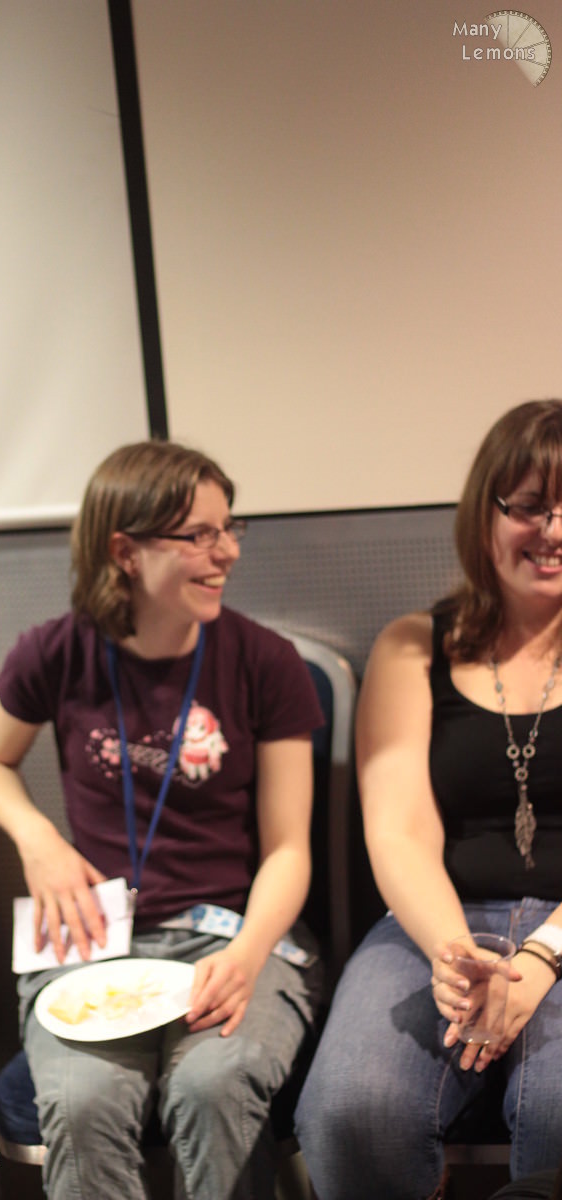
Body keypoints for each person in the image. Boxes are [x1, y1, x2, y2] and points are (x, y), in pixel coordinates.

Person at [0, 439, 324, 1200]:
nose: (226, 552)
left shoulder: (264, 661)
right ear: (125, 552)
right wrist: (37, 837)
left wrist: (250, 954)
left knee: (212, 1088)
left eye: (229, 529)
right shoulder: (55, 651)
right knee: (83, 1103)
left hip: (231, 930)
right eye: (199, 535)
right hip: (95, 935)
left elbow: (290, 848)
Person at [294, 399, 562, 1200]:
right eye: (530, 506)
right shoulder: (413, 645)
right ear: (485, 512)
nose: (553, 530)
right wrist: (459, 957)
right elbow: (399, 829)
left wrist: (541, 960)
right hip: (437, 921)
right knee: (353, 1111)